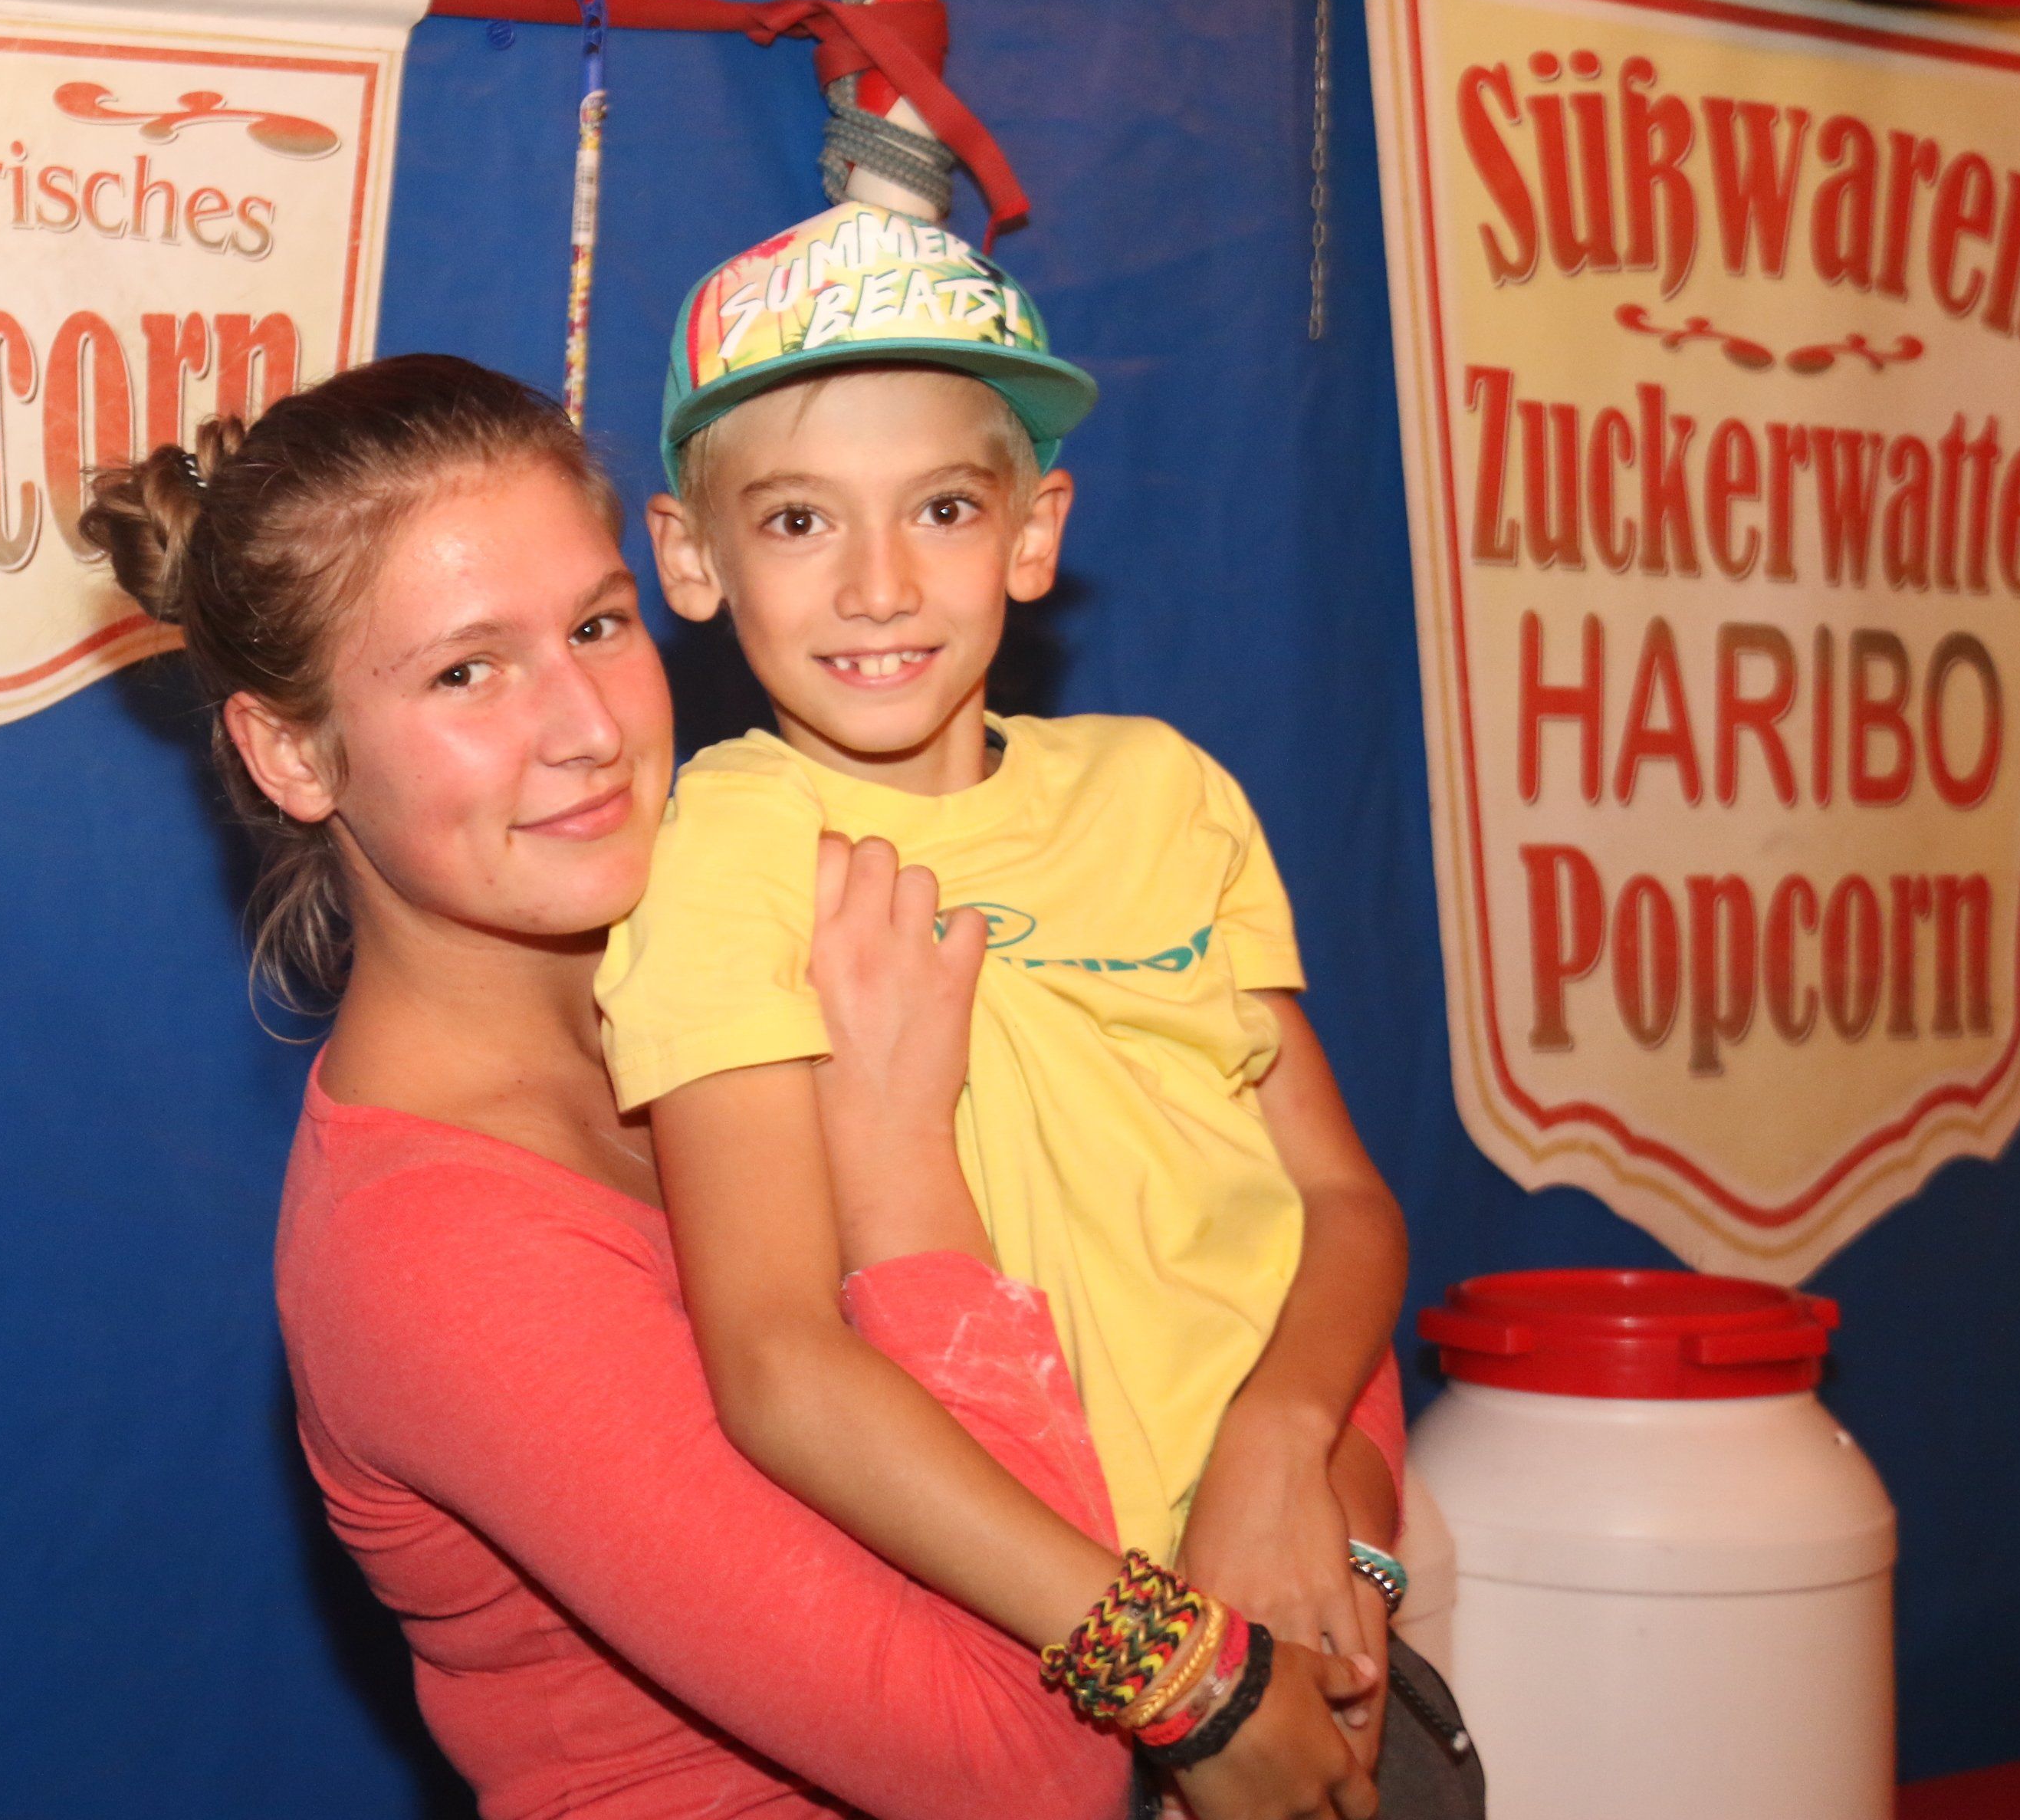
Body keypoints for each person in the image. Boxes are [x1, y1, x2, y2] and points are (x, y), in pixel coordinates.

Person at [83, 354, 1379, 1820]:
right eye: (466, 672)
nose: (587, 726)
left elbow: (1240, 1242)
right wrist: (898, 1160)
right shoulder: (430, 1255)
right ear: (290, 751)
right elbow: (1032, 1772)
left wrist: (1324, 1533)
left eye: (596, 625)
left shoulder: (789, 936)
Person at [597, 203, 1414, 1776]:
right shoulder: (727, 855)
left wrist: (1296, 1456)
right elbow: (774, 1363)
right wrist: (1176, 1661)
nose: (880, 585)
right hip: (1049, 1655)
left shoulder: (1168, 791)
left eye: (945, 508)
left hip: (1307, 1561)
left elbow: (1341, 1203)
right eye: (798, 521)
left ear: (1035, 533)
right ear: (691, 558)